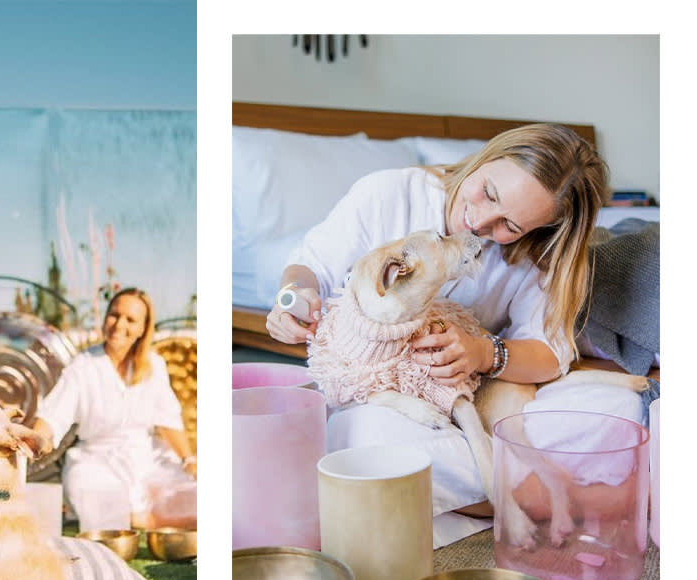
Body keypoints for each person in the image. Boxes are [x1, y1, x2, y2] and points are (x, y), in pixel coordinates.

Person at [266, 124, 647, 545]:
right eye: (490, 192)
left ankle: (486, 490)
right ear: (488, 156)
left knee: (616, 409)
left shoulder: (538, 256)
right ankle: (543, 494)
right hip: (393, 401)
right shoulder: (389, 194)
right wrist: (293, 294)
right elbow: (311, 268)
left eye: (510, 225)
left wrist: (484, 353)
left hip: (478, 396)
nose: (481, 222)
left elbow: (548, 351)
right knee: (357, 437)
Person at [32, 288, 196, 532]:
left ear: (142, 328)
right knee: (91, 493)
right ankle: (142, 520)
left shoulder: (155, 365)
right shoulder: (84, 365)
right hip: (95, 460)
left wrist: (189, 460)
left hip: (147, 458)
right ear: (105, 318)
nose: (119, 324)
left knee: (199, 494)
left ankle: (141, 518)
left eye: (130, 320)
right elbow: (53, 415)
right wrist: (35, 439)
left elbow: (168, 420)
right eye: (114, 315)